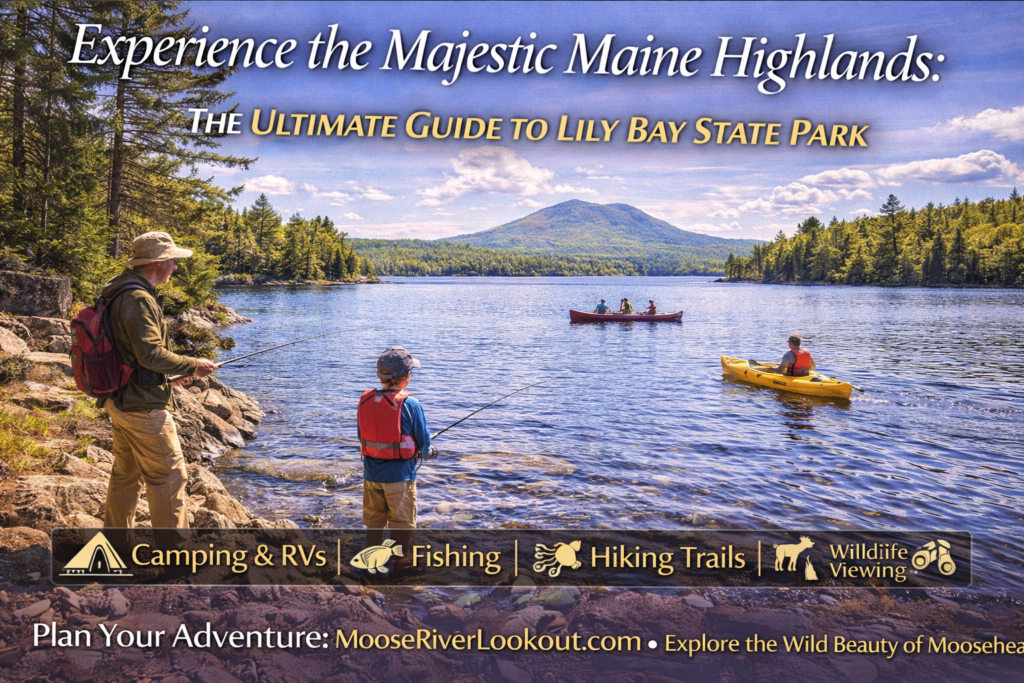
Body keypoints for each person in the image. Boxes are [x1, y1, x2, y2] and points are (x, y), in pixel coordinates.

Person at [100, 232, 217, 534]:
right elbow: (150, 354)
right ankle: (175, 557)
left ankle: (116, 543)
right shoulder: (137, 298)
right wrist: (193, 363)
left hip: (122, 398)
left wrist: (168, 376)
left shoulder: (121, 289)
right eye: (173, 261)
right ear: (157, 262)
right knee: (169, 477)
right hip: (142, 407)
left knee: (126, 474)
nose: (176, 267)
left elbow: (130, 352)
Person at [357, 347, 435, 561]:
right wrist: (429, 453)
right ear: (408, 376)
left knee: (374, 522)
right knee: (402, 524)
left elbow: (360, 435)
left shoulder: (364, 401)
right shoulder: (411, 403)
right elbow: (424, 442)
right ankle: (401, 567)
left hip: (371, 476)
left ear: (378, 375)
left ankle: (370, 566)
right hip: (400, 478)